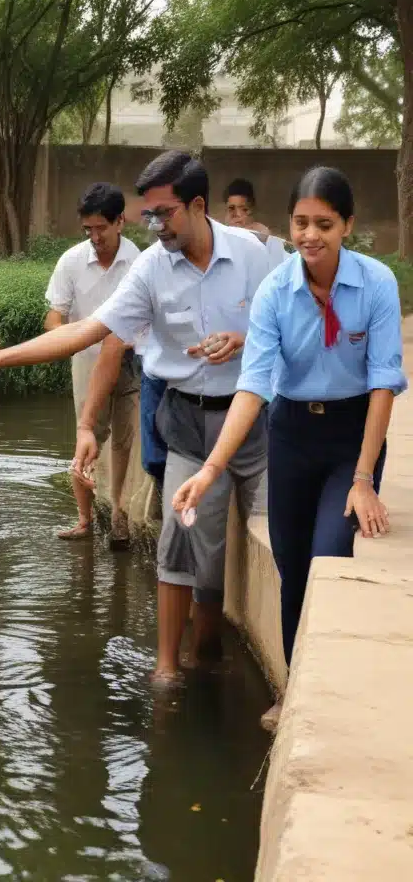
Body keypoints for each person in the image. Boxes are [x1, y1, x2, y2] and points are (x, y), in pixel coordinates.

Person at [0, 151, 273, 687]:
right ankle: (168, 669)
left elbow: (291, 317)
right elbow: (87, 332)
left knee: (271, 543)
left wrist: (246, 339)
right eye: (147, 215)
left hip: (255, 421)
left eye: (163, 213)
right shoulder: (151, 268)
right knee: (180, 536)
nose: (154, 226)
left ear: (198, 205)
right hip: (187, 421)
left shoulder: (255, 256)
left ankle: (211, 648)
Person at [172, 167, 406, 731]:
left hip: (350, 437)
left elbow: (383, 384)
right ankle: (291, 688)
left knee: (328, 554)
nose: (310, 235)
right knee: (293, 569)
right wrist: (210, 470)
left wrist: (364, 477)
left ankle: (322, 689)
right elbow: (253, 386)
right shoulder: (277, 290)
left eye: (324, 223)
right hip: (292, 436)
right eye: (301, 222)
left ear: (347, 225)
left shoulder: (376, 284)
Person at [43, 184, 142, 541]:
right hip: (86, 360)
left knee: (127, 441)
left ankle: (119, 515)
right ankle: (84, 520)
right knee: (87, 437)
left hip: (132, 362)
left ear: (120, 222)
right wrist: (71, 338)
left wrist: (127, 341)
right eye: (88, 229)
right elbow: (54, 317)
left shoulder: (141, 262)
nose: (95, 236)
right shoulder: (71, 261)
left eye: (101, 228)